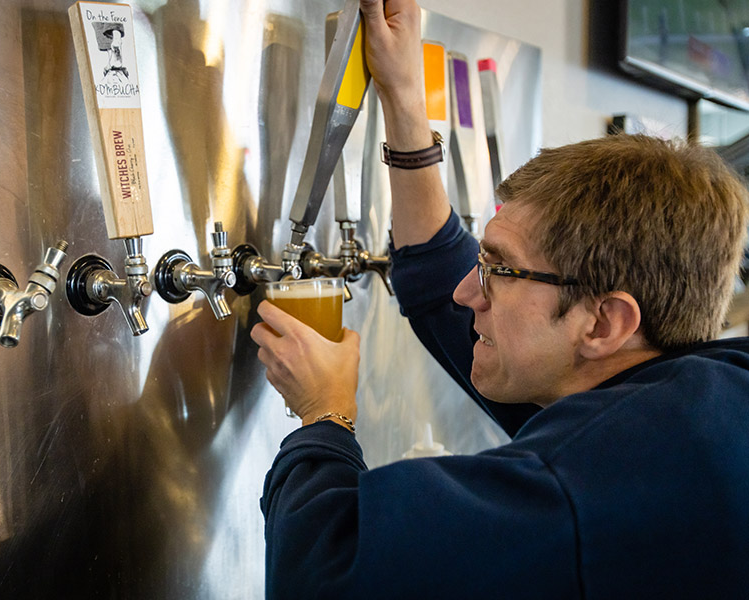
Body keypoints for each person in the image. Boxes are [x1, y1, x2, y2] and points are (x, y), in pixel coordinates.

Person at [250, 0, 749, 598]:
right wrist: (404, 98)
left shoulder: (589, 479)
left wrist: (325, 413)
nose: (468, 290)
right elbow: (442, 283)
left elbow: (325, 573)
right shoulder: (691, 395)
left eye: (497, 271)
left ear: (604, 323)